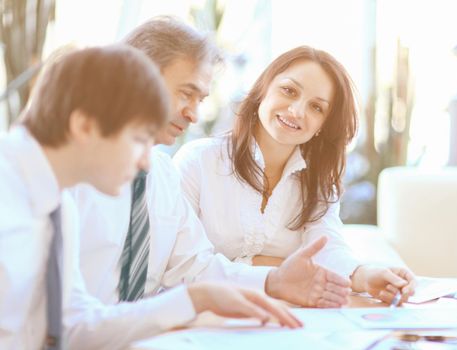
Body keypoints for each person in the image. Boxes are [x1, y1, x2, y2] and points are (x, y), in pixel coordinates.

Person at [68, 18, 347, 349]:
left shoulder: (161, 174)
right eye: (187, 93)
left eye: (200, 99)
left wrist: (274, 281)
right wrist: (194, 300)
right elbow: (65, 325)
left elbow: (194, 266)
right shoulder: (67, 178)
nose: (193, 115)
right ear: (137, 73)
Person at [0, 45, 298, 350]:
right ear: (84, 126)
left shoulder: (57, 205)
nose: (146, 162)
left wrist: (195, 299)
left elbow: (75, 326)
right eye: (140, 139)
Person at [173, 46, 417, 305]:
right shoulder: (197, 161)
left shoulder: (318, 181)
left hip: (281, 319)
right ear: (263, 90)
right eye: (289, 91)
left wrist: (366, 276)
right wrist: (274, 272)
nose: (298, 111)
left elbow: (327, 247)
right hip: (198, 317)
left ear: (323, 125)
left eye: (316, 107)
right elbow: (182, 268)